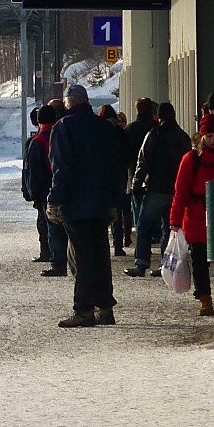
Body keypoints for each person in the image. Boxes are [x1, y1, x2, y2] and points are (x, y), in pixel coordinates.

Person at [46, 83, 125, 327]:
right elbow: (116, 167)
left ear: (68, 103)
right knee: (100, 253)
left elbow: (62, 168)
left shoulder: (64, 127)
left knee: (82, 257)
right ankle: (105, 307)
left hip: (75, 203)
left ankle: (84, 310)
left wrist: (54, 200)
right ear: (87, 101)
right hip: (101, 202)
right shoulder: (104, 127)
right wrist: (115, 201)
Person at [169, 113, 214, 316]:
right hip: (196, 215)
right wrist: (175, 220)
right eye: (209, 137)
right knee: (199, 260)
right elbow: (180, 191)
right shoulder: (191, 159)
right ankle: (205, 299)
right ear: (202, 137)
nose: (213, 141)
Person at [125, 102, 191, 278]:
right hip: (176, 190)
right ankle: (166, 264)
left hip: (156, 187)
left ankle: (141, 264)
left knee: (144, 226)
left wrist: (136, 185)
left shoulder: (155, 134)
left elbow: (144, 161)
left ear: (159, 116)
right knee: (169, 228)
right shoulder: (184, 137)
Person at [97, 104, 132, 257]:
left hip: (102, 175)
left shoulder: (99, 132)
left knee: (102, 208)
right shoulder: (121, 132)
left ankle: (103, 243)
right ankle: (118, 244)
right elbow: (127, 154)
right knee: (118, 209)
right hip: (119, 174)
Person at [23, 105, 56, 264]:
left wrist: (32, 192)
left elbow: (34, 171)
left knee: (44, 222)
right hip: (63, 185)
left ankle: (47, 253)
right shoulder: (62, 135)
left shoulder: (37, 141)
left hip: (44, 190)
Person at [124, 97, 158, 239]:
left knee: (138, 209)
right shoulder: (157, 128)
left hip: (135, 173)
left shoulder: (130, 129)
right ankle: (155, 234)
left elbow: (125, 153)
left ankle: (142, 240)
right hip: (157, 175)